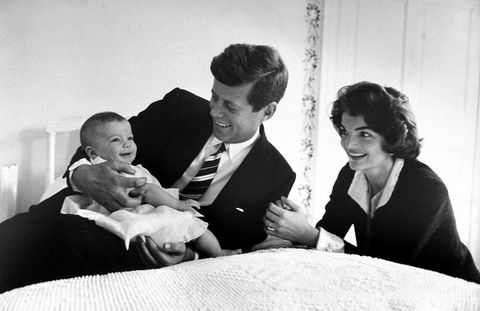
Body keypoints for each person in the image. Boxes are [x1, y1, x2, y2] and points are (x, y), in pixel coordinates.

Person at [0, 43, 295, 292]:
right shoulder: (177, 107)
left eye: (230, 106)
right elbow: (97, 144)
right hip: (88, 208)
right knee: (11, 237)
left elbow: (234, 250)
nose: (215, 111)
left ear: (267, 111)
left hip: (140, 247)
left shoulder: (275, 176)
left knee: (69, 240)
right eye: (214, 97)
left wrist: (189, 256)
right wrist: (83, 174)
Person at [264, 81, 480, 283]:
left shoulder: (426, 188)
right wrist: (296, 228)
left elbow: (390, 264)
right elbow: (330, 231)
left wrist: (311, 236)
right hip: (391, 282)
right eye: (345, 132)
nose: (349, 144)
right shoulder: (349, 175)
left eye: (364, 134)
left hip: (448, 285)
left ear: (393, 137)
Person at [60, 111, 221, 257]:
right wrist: (178, 204)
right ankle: (218, 254)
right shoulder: (122, 172)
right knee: (192, 223)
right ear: (92, 153)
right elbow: (148, 191)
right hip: (135, 220)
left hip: (125, 222)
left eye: (130, 138)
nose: (127, 144)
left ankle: (201, 256)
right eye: (116, 140)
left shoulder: (132, 168)